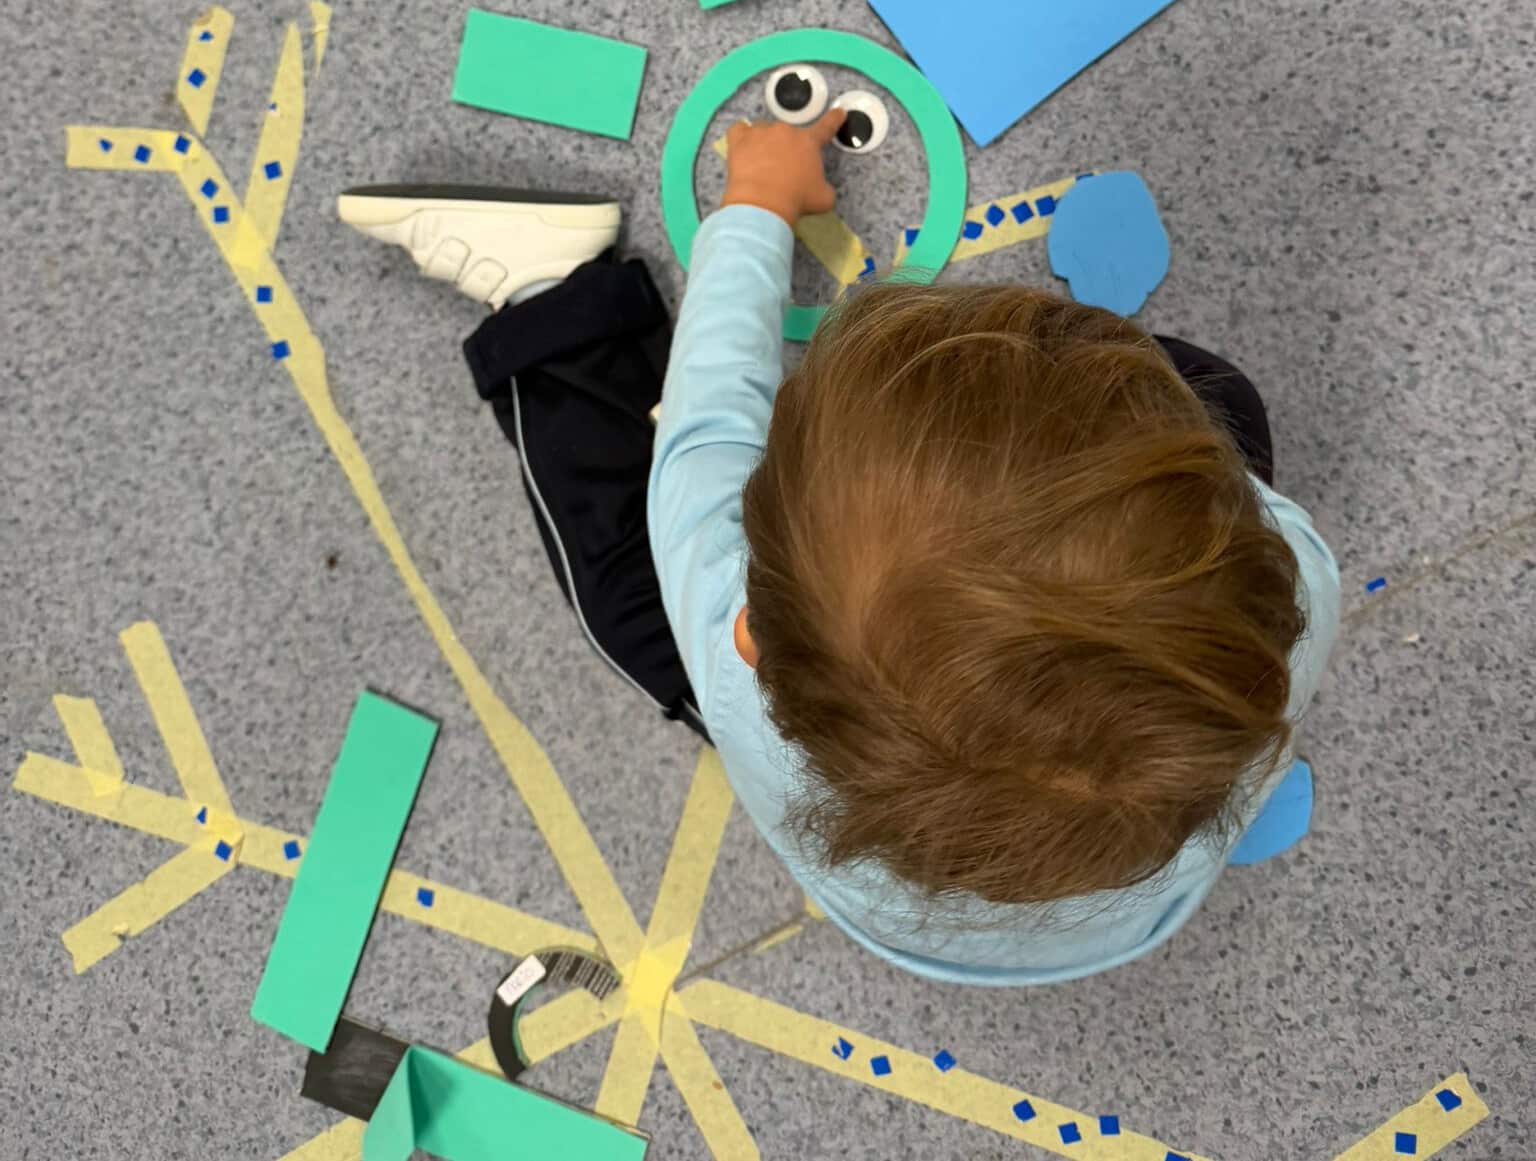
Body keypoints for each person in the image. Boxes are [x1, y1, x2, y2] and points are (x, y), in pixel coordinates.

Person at [338, 106, 1339, 985]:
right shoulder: (1285, 611)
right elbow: (1251, 521)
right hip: (1118, 907)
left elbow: (706, 430)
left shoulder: (738, 676)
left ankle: (552, 298)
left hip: (893, 859)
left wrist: (755, 208)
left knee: (628, 592)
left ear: (754, 637)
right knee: (1218, 399)